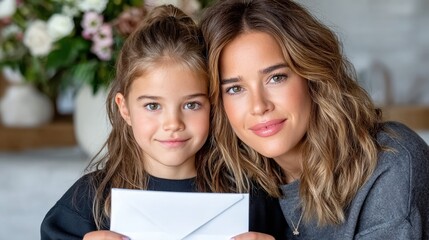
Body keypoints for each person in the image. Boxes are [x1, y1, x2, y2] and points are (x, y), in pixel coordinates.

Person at [40, 4, 287, 240]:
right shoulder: (90, 200)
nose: (173, 123)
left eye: (192, 105)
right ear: (124, 108)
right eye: (153, 106)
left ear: (212, 105)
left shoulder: (251, 196)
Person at [199, 0, 429, 239]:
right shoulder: (236, 179)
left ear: (312, 76)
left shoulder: (391, 162)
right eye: (235, 89)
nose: (259, 106)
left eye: (276, 78)